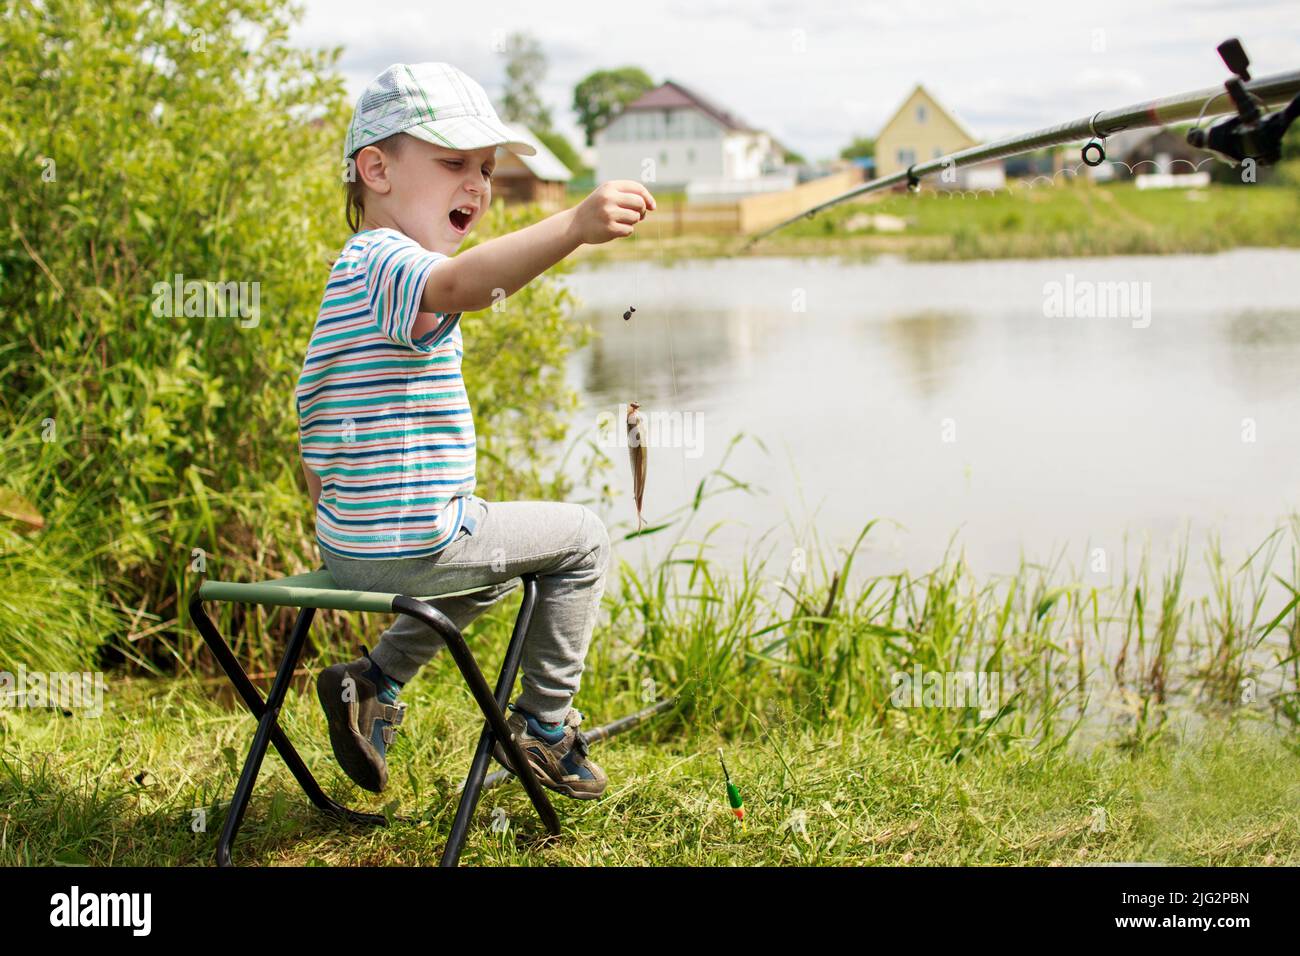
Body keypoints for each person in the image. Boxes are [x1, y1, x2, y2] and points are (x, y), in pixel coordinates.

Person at [296, 62, 655, 799]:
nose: (477, 185)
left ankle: (373, 682)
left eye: (485, 169)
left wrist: (333, 508)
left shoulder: (350, 277)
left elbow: (314, 417)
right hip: (413, 542)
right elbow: (463, 286)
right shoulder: (389, 261)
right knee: (583, 538)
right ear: (377, 170)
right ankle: (543, 729)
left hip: (350, 545)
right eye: (453, 162)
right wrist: (574, 227)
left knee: (490, 577)